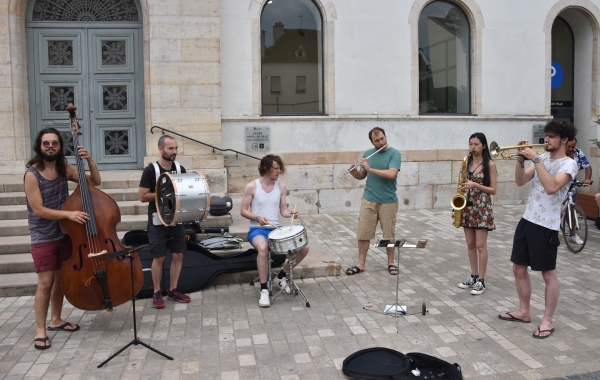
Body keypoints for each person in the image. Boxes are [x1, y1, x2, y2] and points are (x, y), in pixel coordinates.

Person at [498, 120, 578, 339]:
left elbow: (552, 187)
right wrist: (521, 161)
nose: (547, 139)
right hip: (528, 219)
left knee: (547, 274)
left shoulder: (569, 165)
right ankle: (524, 311)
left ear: (564, 140)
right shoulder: (541, 158)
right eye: (547, 135)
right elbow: (520, 181)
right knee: (518, 268)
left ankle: (547, 321)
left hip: (547, 225)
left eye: (552, 136)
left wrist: (535, 158)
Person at [25, 128, 101, 349]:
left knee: (60, 281)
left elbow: (95, 183)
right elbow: (38, 209)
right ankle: (40, 330)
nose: (50, 146)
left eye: (54, 143)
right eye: (46, 143)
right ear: (39, 146)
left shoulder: (64, 169)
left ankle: (56, 320)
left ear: (60, 146)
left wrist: (90, 161)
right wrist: (69, 214)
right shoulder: (32, 174)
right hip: (43, 236)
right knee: (46, 283)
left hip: (65, 233)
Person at [240, 154, 309, 307]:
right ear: (266, 168)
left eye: (280, 168)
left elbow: (283, 210)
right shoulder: (252, 186)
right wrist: (257, 218)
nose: (279, 171)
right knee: (263, 248)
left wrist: (290, 213)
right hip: (257, 229)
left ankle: (282, 275)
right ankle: (264, 289)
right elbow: (243, 211)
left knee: (304, 247)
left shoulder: (281, 186)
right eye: (276, 169)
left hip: (275, 228)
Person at [139, 135, 191, 308]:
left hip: (176, 218)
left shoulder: (179, 168)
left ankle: (173, 290)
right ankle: (157, 292)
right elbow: (142, 196)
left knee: (178, 254)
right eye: (170, 148)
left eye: (176, 148)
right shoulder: (150, 171)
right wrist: (164, 194)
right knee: (159, 256)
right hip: (157, 219)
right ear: (160, 149)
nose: (174, 152)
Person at [345, 127, 401, 276]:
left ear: (385, 136)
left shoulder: (394, 154)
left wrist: (370, 168)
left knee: (388, 234)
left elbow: (391, 174)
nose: (381, 142)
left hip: (388, 200)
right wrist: (354, 173)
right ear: (372, 141)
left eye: (382, 138)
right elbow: (362, 174)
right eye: (377, 140)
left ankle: (391, 263)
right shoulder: (368, 154)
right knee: (363, 233)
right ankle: (361, 264)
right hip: (369, 199)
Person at [457, 132, 497, 295]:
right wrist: (463, 188)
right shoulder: (467, 162)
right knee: (470, 244)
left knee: (481, 246)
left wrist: (475, 185)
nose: (472, 147)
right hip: (468, 206)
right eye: (470, 144)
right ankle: (473, 276)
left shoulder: (490, 164)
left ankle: (481, 280)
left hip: (482, 207)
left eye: (476, 144)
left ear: (484, 146)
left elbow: (493, 190)